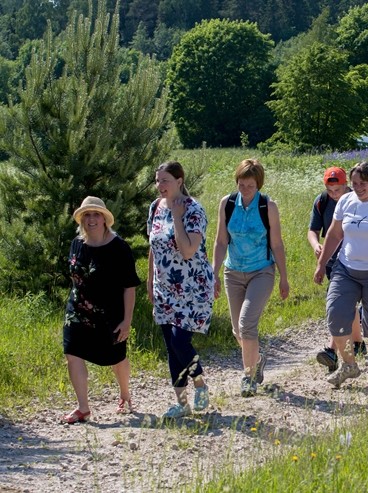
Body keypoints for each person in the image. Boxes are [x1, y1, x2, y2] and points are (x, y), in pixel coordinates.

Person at [314, 162, 368, 388]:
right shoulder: (346, 201)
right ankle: (349, 365)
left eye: (364, 183)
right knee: (335, 315)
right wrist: (322, 265)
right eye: (355, 183)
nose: (359, 187)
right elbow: (334, 234)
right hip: (346, 269)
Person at [212, 159, 290, 398]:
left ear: (259, 185)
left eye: (250, 186)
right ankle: (257, 360)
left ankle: (248, 377)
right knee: (238, 331)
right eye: (241, 184)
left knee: (247, 324)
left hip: (261, 271)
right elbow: (221, 241)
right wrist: (213, 272)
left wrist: (284, 278)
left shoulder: (268, 206)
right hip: (233, 272)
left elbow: (276, 244)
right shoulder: (227, 204)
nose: (245, 190)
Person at [60, 197, 140, 424]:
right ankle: (83, 407)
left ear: (105, 219)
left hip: (109, 313)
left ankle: (125, 393)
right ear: (81, 219)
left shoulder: (119, 247)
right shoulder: (76, 243)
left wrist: (127, 320)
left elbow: (129, 286)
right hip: (77, 310)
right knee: (72, 354)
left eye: (96, 215)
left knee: (117, 357)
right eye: (87, 215)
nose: (91, 219)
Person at [148, 161, 214, 419]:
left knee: (180, 341)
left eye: (165, 180)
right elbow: (154, 246)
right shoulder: (154, 207)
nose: (160, 185)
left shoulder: (193, 210)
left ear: (179, 180)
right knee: (171, 346)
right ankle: (182, 402)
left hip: (193, 288)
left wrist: (176, 217)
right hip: (164, 288)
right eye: (157, 180)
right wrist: (150, 282)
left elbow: (187, 250)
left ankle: (199, 383)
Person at [307, 167, 366, 373]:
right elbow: (313, 231)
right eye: (330, 190)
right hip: (333, 261)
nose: (334, 194)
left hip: (357, 261)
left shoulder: (358, 199)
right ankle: (358, 343)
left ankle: (332, 351)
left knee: (343, 305)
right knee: (346, 305)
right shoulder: (321, 201)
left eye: (337, 190)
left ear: (346, 185)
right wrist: (316, 246)